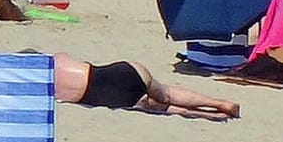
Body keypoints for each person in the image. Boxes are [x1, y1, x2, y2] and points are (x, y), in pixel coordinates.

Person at [52, 52, 239, 120]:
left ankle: (209, 114)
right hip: (123, 70)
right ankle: (219, 102)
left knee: (168, 108)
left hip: (110, 95)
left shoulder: (46, 90)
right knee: (165, 93)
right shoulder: (58, 58)